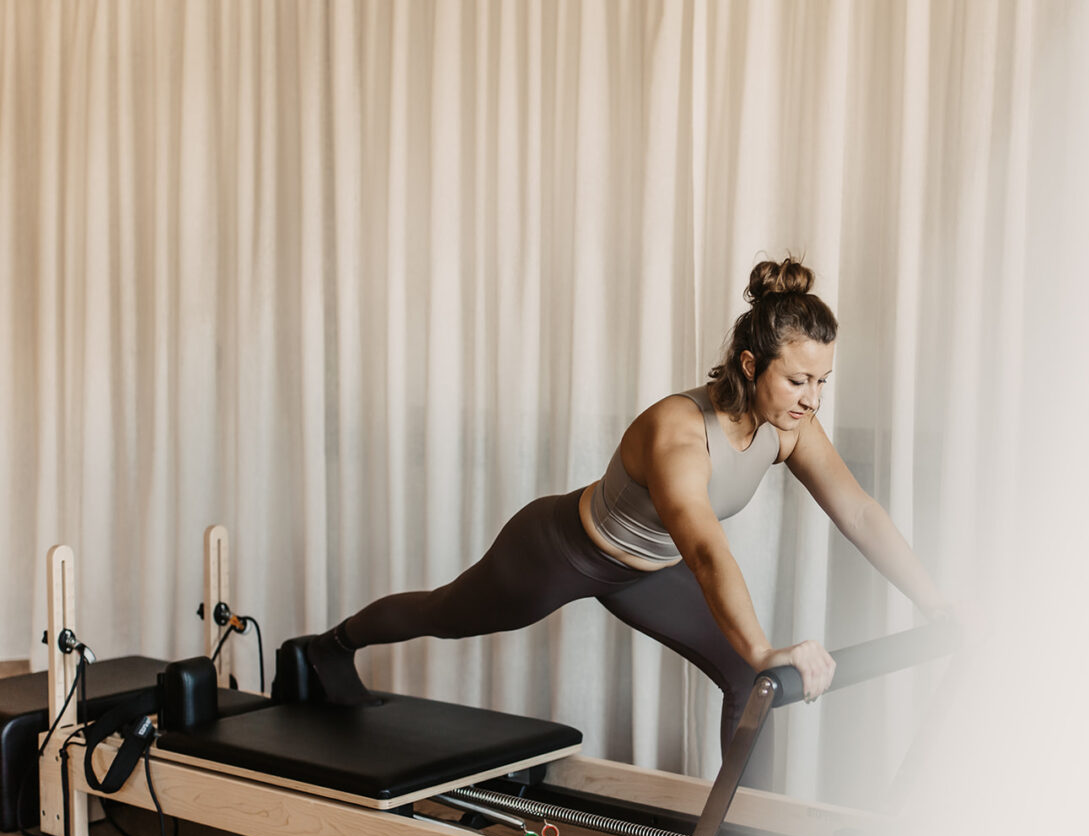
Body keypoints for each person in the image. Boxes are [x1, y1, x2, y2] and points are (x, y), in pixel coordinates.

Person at [306, 255, 951, 787]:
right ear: (752, 366)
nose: (812, 400)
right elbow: (705, 551)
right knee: (444, 613)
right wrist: (762, 645)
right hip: (563, 549)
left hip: (648, 573)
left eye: (822, 382)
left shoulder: (791, 428)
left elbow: (861, 514)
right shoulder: (678, 434)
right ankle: (330, 648)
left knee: (752, 684)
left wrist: (938, 606)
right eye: (798, 381)